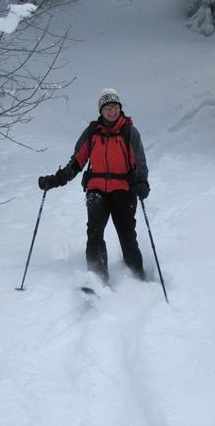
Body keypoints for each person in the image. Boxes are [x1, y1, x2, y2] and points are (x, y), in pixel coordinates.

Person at [38, 88, 150, 284]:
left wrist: (141, 182)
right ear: (101, 110)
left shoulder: (129, 132)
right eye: (107, 107)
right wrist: (56, 179)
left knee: (127, 235)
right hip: (96, 190)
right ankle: (98, 277)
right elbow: (77, 162)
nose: (112, 111)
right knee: (95, 233)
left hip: (124, 190)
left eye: (115, 107)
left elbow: (139, 162)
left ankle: (138, 277)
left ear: (120, 108)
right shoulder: (92, 132)